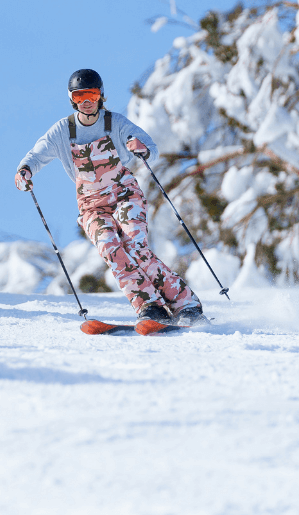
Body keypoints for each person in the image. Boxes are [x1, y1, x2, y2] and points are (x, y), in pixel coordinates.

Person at [14, 69, 203, 325]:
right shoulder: (63, 130)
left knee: (135, 248)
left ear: (101, 96)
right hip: (92, 206)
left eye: (91, 94)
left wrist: (141, 148)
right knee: (111, 249)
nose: (86, 101)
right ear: (72, 99)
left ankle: (186, 304)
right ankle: (150, 306)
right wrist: (24, 170)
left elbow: (150, 146)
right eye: (80, 96)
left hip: (125, 195)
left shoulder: (114, 123)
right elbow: (37, 155)